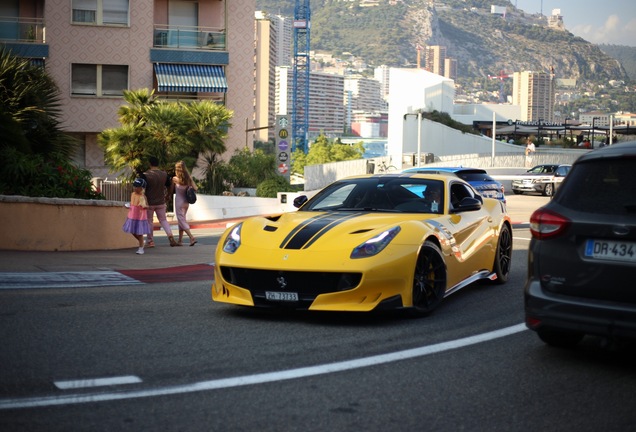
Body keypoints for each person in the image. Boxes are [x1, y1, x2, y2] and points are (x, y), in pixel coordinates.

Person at [142, 156, 178, 247]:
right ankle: (170, 236)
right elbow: (169, 186)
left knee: (149, 221)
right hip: (161, 201)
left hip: (149, 202)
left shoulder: (146, 175)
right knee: (163, 220)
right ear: (158, 164)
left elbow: (141, 189)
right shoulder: (164, 175)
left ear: (149, 164)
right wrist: (168, 195)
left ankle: (150, 241)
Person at [122, 178, 153, 254]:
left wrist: (144, 206)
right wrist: (129, 205)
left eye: (137, 187)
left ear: (142, 188)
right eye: (134, 186)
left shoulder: (143, 197)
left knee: (139, 233)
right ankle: (141, 241)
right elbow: (132, 203)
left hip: (140, 217)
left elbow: (147, 206)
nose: (135, 188)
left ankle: (141, 248)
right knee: (132, 230)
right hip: (132, 216)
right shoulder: (133, 194)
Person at [171, 161, 198, 246]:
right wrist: (190, 180)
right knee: (181, 220)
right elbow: (196, 188)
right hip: (186, 202)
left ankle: (191, 237)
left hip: (179, 202)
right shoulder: (188, 179)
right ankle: (180, 240)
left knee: (181, 220)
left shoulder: (175, 179)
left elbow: (171, 190)